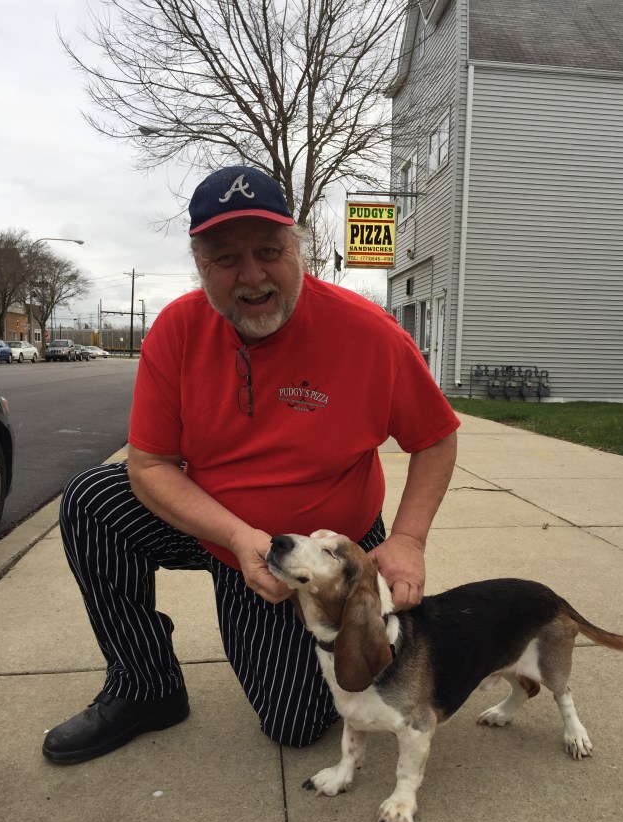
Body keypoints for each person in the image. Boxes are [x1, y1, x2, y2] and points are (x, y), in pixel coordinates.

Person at [43, 165, 460, 763]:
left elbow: (437, 438)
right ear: (200, 267)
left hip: (315, 551)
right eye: (224, 258)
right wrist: (239, 540)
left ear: (300, 249)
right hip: (217, 529)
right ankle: (145, 686)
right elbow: (151, 465)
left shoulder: (369, 334)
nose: (252, 275)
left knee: (297, 723)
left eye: (268, 251)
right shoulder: (176, 331)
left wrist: (410, 538)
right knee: (92, 499)